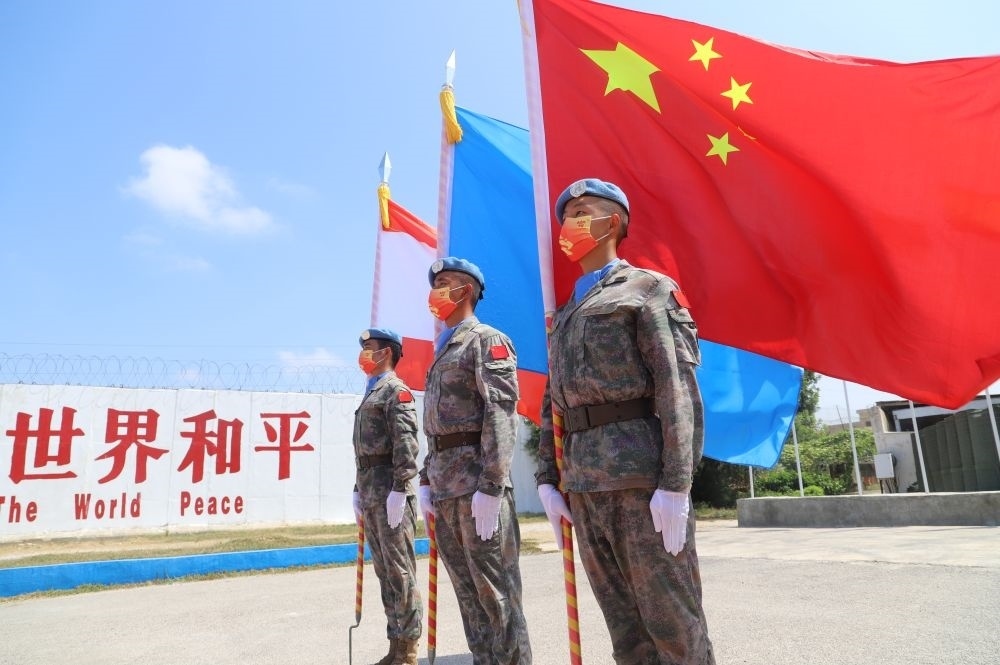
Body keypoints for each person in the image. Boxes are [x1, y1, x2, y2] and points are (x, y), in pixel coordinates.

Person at [535, 179, 716, 665]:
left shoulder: (647, 289)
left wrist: (676, 484)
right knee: (626, 635)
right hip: (583, 486)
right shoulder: (564, 313)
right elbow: (553, 402)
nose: (570, 223)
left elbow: (676, 388)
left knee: (674, 626)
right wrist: (548, 479)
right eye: (566, 215)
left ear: (612, 222)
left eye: (582, 212)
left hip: (640, 483)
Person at [416, 256, 532, 665]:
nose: (435, 291)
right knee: (468, 596)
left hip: (478, 488)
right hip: (446, 489)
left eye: (444, 283)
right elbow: (437, 425)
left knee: (496, 594)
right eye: (435, 283)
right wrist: (426, 479)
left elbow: (500, 412)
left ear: (465, 290)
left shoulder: (486, 340)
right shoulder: (443, 349)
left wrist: (492, 483)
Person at [352, 327, 422, 665]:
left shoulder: (396, 391)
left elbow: (406, 443)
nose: (364, 353)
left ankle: (408, 648)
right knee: (384, 571)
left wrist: (401, 488)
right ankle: (395, 643)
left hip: (391, 493)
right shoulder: (371, 392)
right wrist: (357, 489)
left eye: (370, 347)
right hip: (371, 491)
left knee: (400, 571)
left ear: (387, 353)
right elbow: (364, 449)